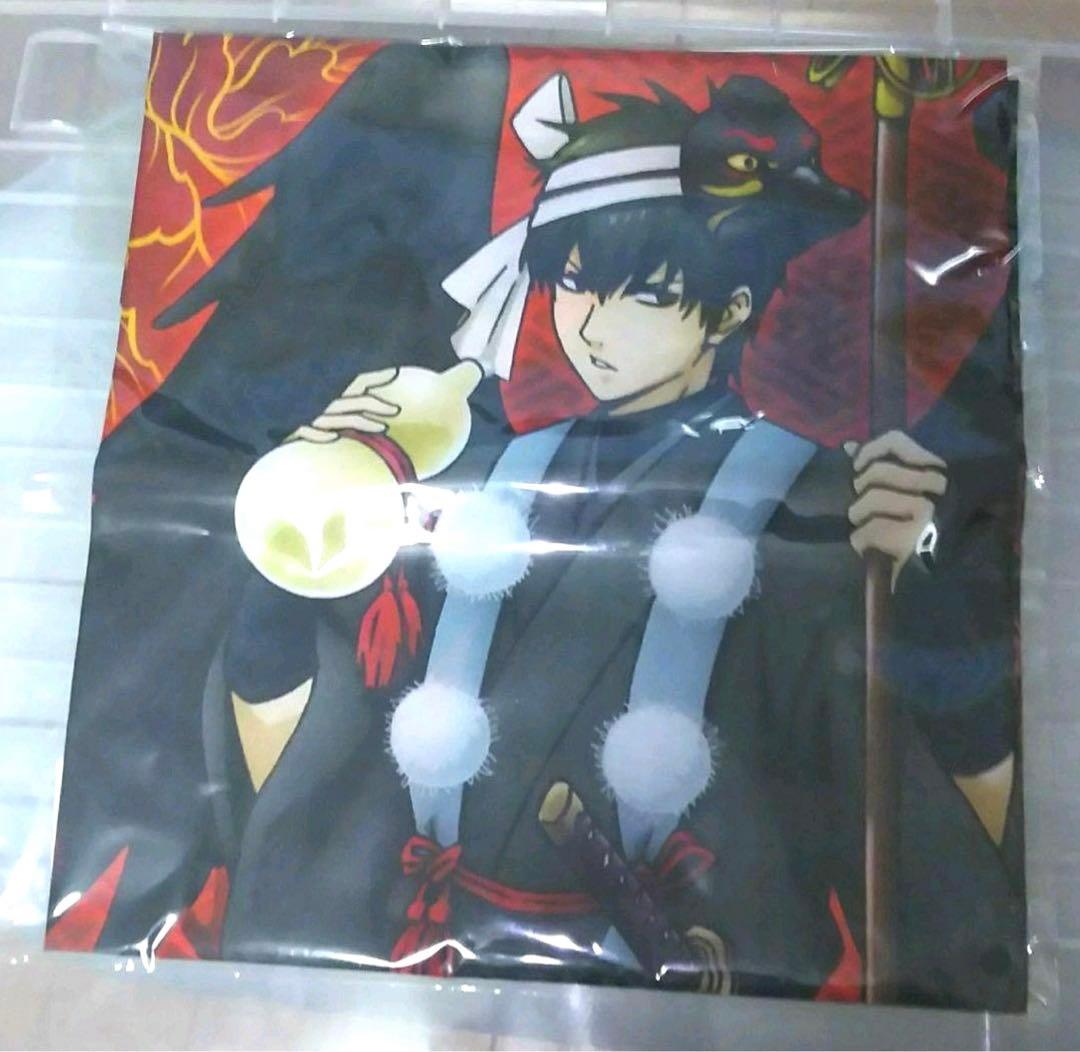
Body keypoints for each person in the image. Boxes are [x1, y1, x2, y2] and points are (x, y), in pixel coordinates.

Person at [49, 51, 1024, 1011]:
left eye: (645, 293)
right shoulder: (481, 477)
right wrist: (311, 528)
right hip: (429, 970)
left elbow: (897, 800)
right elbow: (326, 722)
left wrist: (926, 585)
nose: (595, 323)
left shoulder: (815, 497)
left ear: (730, 309)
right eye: (577, 282)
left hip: (690, 983)